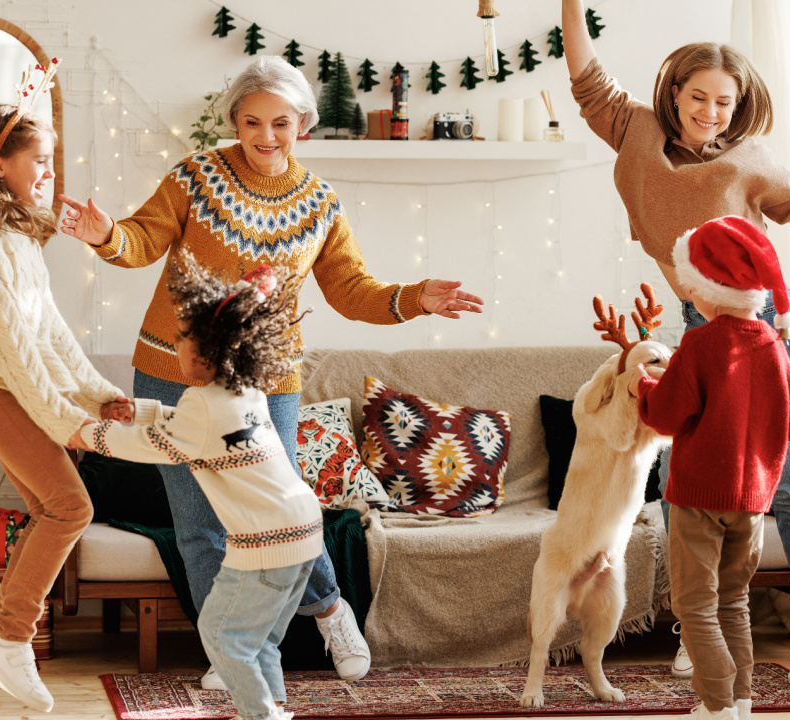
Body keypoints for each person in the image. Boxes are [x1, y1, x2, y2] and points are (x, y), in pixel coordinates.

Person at [56, 55, 484, 686]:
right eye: (251, 121)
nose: (264, 136)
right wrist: (105, 235)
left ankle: (332, 610)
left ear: (302, 125)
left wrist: (416, 296)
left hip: (267, 381)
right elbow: (141, 239)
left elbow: (350, 290)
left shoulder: (318, 202)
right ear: (234, 120)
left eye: (279, 123)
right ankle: (228, 652)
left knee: (281, 513)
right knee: (199, 523)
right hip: (173, 368)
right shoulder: (196, 177)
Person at [560, 0, 790, 684]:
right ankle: (706, 629)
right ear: (675, 92)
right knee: (703, 487)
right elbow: (586, 76)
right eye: (698, 97)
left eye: (725, 101)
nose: (711, 112)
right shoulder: (633, 129)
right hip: (699, 328)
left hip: (769, 328)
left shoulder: (751, 161)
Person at [0, 102, 132, 713]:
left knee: (49, 507)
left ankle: (1, 640)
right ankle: (10, 638)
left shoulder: (13, 237)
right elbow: (14, 355)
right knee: (71, 507)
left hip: (2, 387)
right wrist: (71, 424)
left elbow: (51, 334)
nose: (48, 172)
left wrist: (100, 396)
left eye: (50, 161)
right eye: (38, 161)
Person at [84, 253, 318, 720]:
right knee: (261, 638)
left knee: (221, 633)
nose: (175, 346)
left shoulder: (201, 404)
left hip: (266, 541)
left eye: (182, 339)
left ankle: (261, 716)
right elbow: (199, 428)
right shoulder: (245, 391)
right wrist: (145, 409)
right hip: (305, 530)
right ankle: (274, 706)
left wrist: (86, 434)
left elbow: (149, 447)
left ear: (208, 352)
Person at [630, 215, 790, 720]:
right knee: (733, 603)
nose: (688, 292)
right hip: (751, 502)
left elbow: (665, 414)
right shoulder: (775, 347)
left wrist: (644, 384)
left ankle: (719, 706)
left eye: (691, 284)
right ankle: (740, 703)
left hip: (697, 499)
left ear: (710, 290)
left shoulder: (700, 345)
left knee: (695, 606)